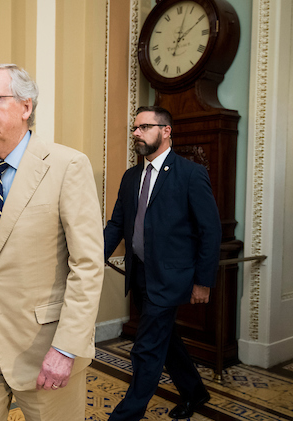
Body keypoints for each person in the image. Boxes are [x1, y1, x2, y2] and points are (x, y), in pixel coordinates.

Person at [0, 63, 104, 421]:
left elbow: (88, 265)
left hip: (44, 350)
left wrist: (66, 348)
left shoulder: (68, 166)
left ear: (26, 106)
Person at [104, 106, 222, 420]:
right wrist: (91, 259)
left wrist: (203, 280)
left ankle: (126, 415)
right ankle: (196, 393)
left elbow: (210, 230)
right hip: (140, 274)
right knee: (165, 339)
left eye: (143, 127)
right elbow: (117, 225)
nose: (135, 134)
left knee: (146, 347)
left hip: (172, 278)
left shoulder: (190, 173)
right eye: (134, 128)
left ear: (165, 131)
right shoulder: (131, 177)